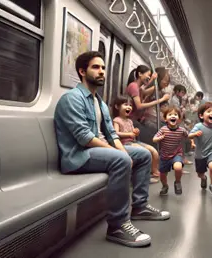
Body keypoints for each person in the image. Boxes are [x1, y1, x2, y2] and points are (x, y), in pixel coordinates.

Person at [54, 51, 170, 248]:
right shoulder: (72, 99)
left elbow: (112, 134)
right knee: (121, 159)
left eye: (103, 68)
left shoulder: (98, 102)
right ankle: (117, 225)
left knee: (142, 154)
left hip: (96, 151)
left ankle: (139, 207)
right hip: (78, 156)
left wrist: (122, 150)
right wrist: (118, 153)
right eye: (95, 67)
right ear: (82, 71)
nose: (102, 72)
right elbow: (85, 138)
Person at [111, 96, 159, 183]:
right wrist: (128, 134)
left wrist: (135, 132)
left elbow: (133, 132)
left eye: (130, 105)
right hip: (125, 143)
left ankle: (153, 171)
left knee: (154, 151)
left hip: (133, 141)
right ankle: (144, 178)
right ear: (117, 107)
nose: (129, 107)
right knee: (145, 152)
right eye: (126, 104)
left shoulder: (130, 121)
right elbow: (115, 133)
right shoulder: (117, 120)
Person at [126, 66, 171, 147]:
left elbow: (143, 91)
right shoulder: (134, 86)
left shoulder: (139, 88)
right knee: (156, 138)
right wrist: (161, 100)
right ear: (140, 74)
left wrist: (151, 80)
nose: (149, 77)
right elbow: (139, 105)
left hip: (137, 119)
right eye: (148, 75)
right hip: (134, 120)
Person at [153, 106, 188, 196]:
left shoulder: (181, 130)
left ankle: (177, 182)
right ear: (165, 119)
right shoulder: (163, 129)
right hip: (164, 156)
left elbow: (188, 136)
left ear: (179, 119)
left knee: (178, 167)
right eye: (170, 114)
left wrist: (192, 141)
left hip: (176, 154)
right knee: (163, 175)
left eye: (175, 114)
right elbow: (154, 139)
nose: (173, 116)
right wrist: (159, 138)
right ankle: (165, 186)